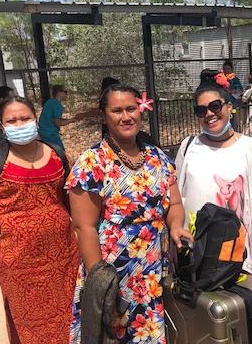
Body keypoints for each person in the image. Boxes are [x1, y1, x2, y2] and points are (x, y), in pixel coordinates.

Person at [67, 83, 192, 343]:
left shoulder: (158, 158)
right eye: (117, 110)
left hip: (154, 272)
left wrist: (177, 225)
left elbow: (175, 205)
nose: (126, 116)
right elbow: (84, 227)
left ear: (140, 110)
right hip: (114, 273)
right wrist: (101, 282)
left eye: (131, 109)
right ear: (104, 115)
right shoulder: (92, 163)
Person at [0, 97, 79, 343]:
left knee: (69, 315)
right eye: (11, 120)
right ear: (2, 127)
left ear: (35, 120)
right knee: (27, 318)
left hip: (63, 256)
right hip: (17, 259)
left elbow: (72, 197)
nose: (19, 124)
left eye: (25, 118)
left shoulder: (58, 154)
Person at [176, 70, 252, 276]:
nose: (209, 114)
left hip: (239, 253)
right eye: (201, 110)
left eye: (215, 106)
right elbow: (176, 196)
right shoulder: (188, 147)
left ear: (229, 107)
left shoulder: (250, 147)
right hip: (198, 252)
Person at [39, 84, 83, 150]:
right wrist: (73, 120)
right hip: (50, 134)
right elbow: (58, 122)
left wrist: (71, 119)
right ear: (59, 92)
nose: (66, 94)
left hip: (42, 133)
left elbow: (53, 119)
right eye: (65, 92)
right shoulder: (57, 104)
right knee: (61, 153)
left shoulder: (49, 102)